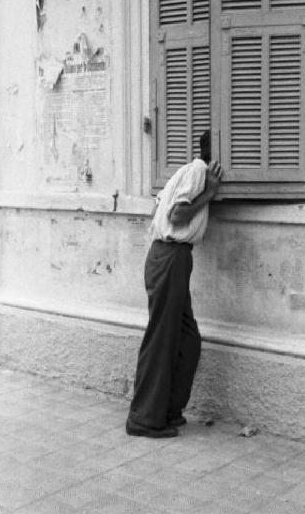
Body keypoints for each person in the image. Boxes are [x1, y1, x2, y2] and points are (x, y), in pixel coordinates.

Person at [126, 131, 223, 438]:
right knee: (162, 339)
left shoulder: (188, 172)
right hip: (170, 256)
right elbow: (177, 214)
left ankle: (168, 409)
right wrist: (210, 194)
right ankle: (144, 420)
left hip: (172, 257)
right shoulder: (197, 171)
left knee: (187, 339)